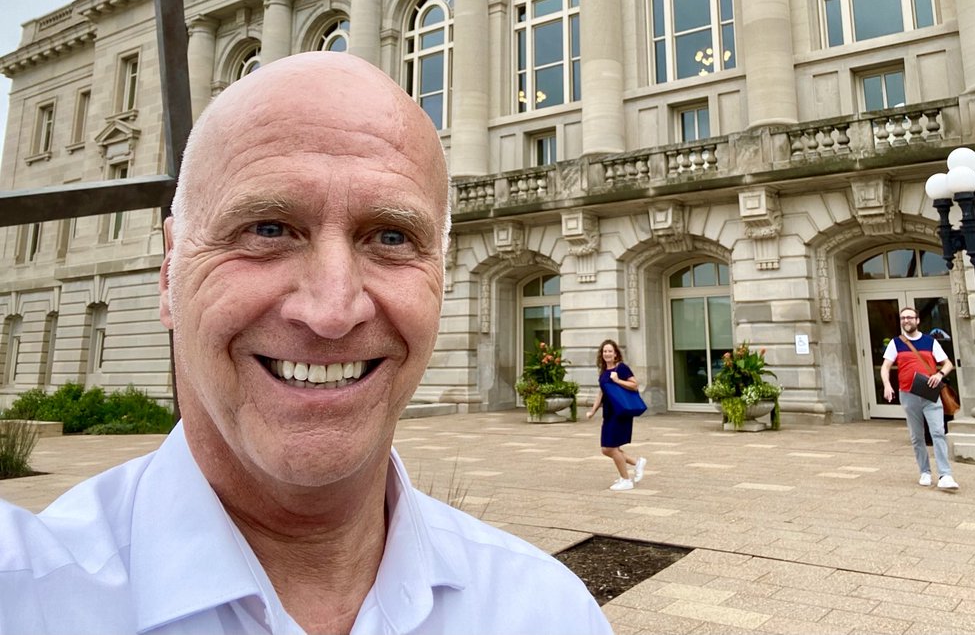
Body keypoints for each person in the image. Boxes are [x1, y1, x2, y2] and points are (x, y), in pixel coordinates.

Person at [0, 54, 611, 634]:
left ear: (441, 279)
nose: (333, 310)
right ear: (168, 274)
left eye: (392, 237)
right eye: (268, 229)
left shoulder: (550, 612)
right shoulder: (27, 595)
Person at [880, 307, 959, 492]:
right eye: (903, 318)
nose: (906, 321)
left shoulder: (930, 341)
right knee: (917, 436)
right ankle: (924, 471)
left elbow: (948, 364)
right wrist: (887, 384)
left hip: (930, 394)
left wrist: (939, 375)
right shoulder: (896, 343)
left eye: (909, 317)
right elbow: (885, 367)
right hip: (908, 394)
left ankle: (945, 475)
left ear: (917, 320)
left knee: (938, 432)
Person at [585, 340, 646, 491]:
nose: (607, 354)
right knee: (606, 449)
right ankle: (637, 463)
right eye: (605, 351)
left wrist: (618, 380)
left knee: (611, 448)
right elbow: (601, 393)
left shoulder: (621, 368)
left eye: (610, 351)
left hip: (620, 412)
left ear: (616, 353)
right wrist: (593, 411)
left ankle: (626, 480)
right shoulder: (604, 371)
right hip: (609, 413)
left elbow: (634, 385)